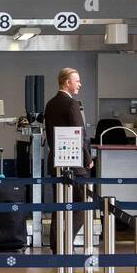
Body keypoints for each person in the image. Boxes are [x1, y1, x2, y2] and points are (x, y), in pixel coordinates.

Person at [43, 68, 92, 250]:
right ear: (67, 83)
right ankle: (66, 241)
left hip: (56, 159)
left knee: (59, 205)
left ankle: (56, 245)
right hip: (74, 162)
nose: (80, 84)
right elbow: (80, 134)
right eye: (77, 81)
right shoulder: (72, 104)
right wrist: (88, 157)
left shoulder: (50, 104)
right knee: (83, 202)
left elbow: (49, 135)